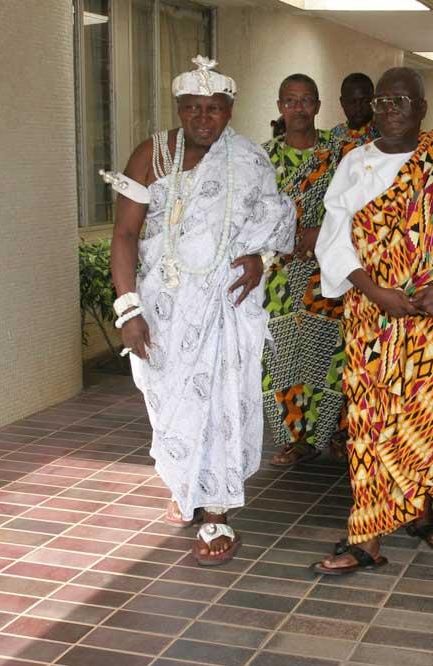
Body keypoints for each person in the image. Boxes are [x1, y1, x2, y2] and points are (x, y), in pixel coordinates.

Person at [310, 67, 433, 575]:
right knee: (371, 422)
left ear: (422, 107)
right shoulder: (355, 162)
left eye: (401, 100)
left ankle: (423, 515)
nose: (390, 108)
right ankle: (367, 538)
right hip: (374, 316)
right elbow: (334, 240)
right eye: (382, 100)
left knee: (431, 421)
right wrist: (377, 293)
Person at [108, 56, 295, 567]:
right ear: (179, 108)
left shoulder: (249, 159)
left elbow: (274, 223)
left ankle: (216, 510)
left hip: (226, 306)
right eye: (193, 108)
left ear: (230, 110)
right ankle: (185, 482)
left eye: (214, 109)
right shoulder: (151, 154)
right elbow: (124, 234)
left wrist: (260, 258)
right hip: (164, 308)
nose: (203, 118)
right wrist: (128, 310)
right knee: (171, 407)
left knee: (220, 403)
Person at [261, 74, 349, 467]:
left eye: (306, 100)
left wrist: (320, 233)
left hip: (327, 273)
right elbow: (251, 212)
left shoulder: (340, 154)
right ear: (280, 106)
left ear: (318, 105)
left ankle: (333, 433)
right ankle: (293, 438)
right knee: (280, 358)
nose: (298, 108)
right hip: (277, 276)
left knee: (328, 355)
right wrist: (283, 237)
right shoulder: (261, 158)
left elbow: (356, 208)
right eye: (290, 101)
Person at [329, 72, 380, 153]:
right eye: (352, 102)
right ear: (342, 102)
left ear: (373, 100)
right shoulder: (334, 136)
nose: (358, 108)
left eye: (364, 101)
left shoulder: (384, 133)